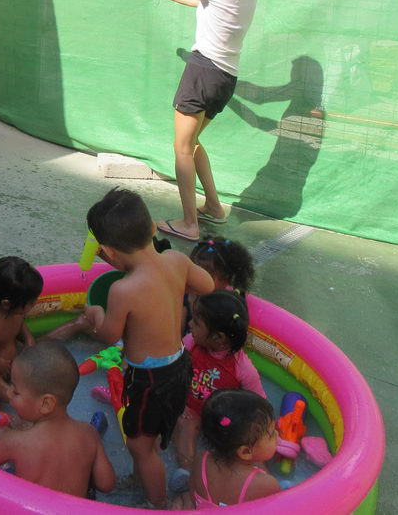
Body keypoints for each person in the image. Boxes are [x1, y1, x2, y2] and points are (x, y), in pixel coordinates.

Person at [123, 0, 259, 241]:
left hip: (202, 71)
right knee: (193, 141)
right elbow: (201, 1)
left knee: (182, 147)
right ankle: (213, 206)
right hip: (225, 78)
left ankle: (188, 223)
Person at [81, 187, 214, 508]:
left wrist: (95, 314)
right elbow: (207, 285)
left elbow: (110, 335)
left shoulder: (122, 291)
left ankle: (157, 504)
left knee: (140, 447)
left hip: (148, 380)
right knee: (151, 436)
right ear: (153, 226)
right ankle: (146, 472)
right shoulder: (176, 260)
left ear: (109, 252)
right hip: (179, 367)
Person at [0, 341, 116, 498]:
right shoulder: (88, 434)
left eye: (15, 391)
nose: (8, 393)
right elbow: (107, 483)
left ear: (45, 404)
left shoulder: (17, 441)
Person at [173, 290, 265, 469]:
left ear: (219, 338)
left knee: (247, 443)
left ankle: (265, 482)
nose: (190, 324)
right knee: (188, 427)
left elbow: (259, 403)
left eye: (197, 323)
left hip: (224, 420)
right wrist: (178, 402)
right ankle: (188, 474)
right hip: (193, 411)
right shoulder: (191, 342)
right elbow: (176, 371)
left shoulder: (242, 368)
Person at [175, 388, 280, 508]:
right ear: (245, 452)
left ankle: (181, 496)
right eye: (271, 434)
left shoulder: (201, 460)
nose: (277, 434)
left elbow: (194, 496)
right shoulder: (266, 484)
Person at [0, 256, 44, 403]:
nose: (35, 303)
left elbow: (18, 324)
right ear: (6, 304)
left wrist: (28, 338)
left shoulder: (16, 311)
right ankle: (20, 402)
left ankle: (79, 324)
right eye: (31, 302)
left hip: (14, 365)